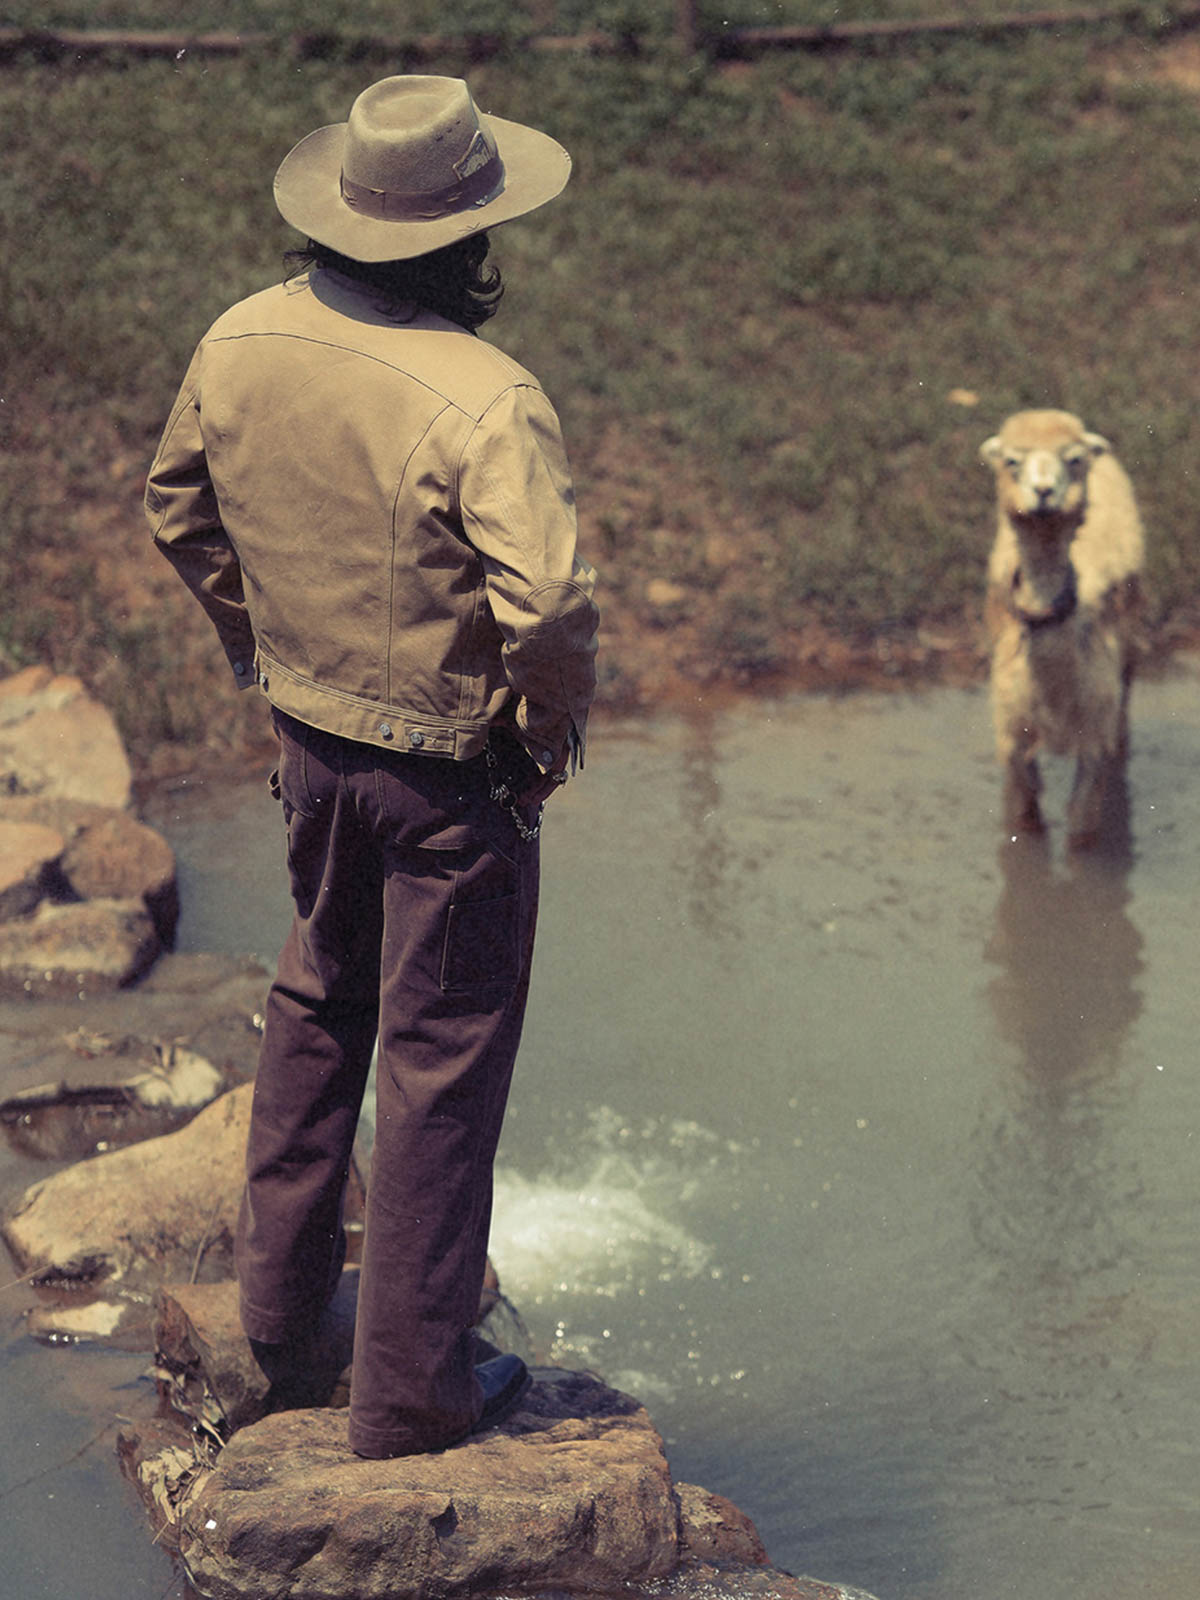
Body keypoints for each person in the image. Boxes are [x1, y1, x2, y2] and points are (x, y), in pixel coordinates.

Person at [145, 75, 599, 1458]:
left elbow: (178, 509)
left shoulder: (240, 334)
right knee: (441, 1064)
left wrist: (258, 653)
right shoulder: (485, 395)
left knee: (318, 1003)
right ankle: (410, 1397)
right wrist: (543, 738)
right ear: (470, 242)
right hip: (448, 776)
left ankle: (279, 1322)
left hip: (312, 749)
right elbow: (552, 612)